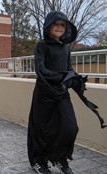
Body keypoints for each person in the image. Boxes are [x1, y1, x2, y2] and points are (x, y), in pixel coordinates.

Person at [27, 11, 78, 174]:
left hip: (61, 92)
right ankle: (38, 161)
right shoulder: (41, 46)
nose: (59, 27)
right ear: (48, 26)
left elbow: (68, 67)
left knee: (70, 127)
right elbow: (40, 70)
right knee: (42, 129)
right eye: (56, 24)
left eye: (62, 25)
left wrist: (74, 77)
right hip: (44, 94)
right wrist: (62, 76)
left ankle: (60, 157)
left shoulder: (65, 48)